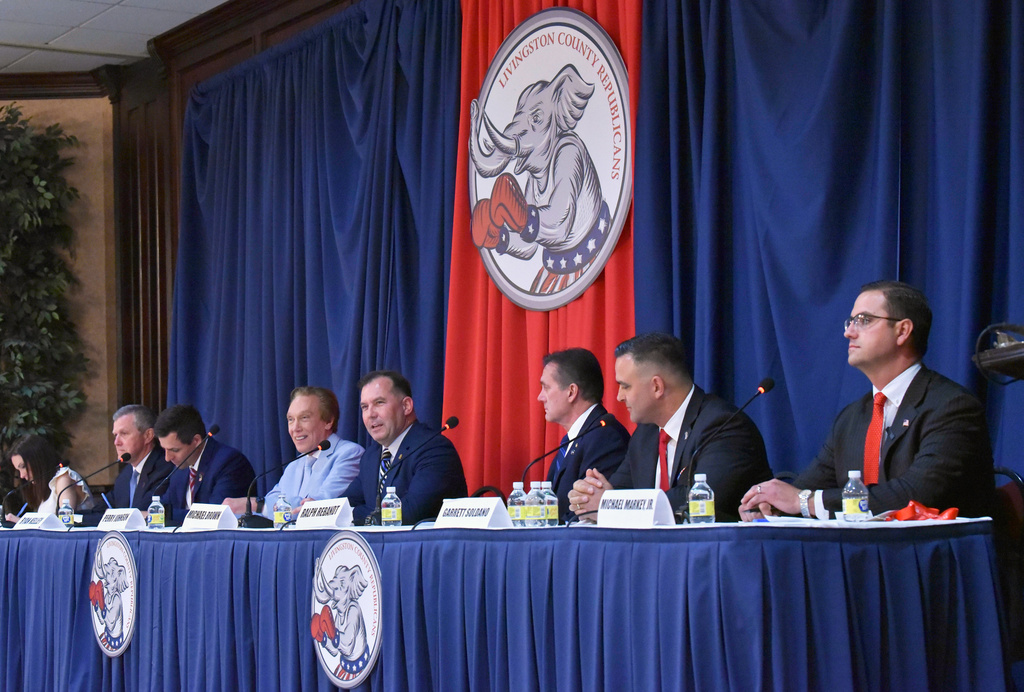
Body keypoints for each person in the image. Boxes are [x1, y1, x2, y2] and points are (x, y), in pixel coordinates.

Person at [739, 280, 994, 520]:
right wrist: (770, 505)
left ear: (903, 331)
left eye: (863, 320)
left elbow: (916, 495)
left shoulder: (952, 407)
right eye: (850, 322)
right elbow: (806, 490)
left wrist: (805, 501)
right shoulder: (850, 419)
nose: (849, 333)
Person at [568, 333, 772, 522]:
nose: (619, 397)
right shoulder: (645, 435)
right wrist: (590, 496)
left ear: (657, 386)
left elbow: (698, 501)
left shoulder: (724, 426)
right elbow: (618, 492)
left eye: (625, 386)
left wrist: (609, 505)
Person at [341, 370, 467, 525]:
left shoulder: (434, 449)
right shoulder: (371, 456)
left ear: (406, 406)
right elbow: (343, 506)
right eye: (365, 407)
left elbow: (409, 512)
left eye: (379, 402)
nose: (370, 414)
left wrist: (353, 513)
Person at [222, 386, 363, 517]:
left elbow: (318, 507)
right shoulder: (295, 464)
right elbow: (271, 501)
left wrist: (255, 505)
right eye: (290, 419)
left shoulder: (349, 454)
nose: (295, 428)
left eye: (304, 418)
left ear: (328, 421)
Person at [537, 347, 629, 523]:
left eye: (546, 388)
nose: (540, 397)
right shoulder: (575, 438)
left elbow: (586, 509)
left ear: (571, 392)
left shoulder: (604, 437)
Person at [156, 404, 255, 515]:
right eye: (164, 449)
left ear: (196, 441)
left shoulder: (230, 463)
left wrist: (163, 515)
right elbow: (165, 506)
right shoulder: (180, 469)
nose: (167, 458)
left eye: (174, 450)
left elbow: (214, 515)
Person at [4, 435, 98, 522]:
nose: (22, 475)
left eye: (23, 466)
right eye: (18, 470)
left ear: (38, 461)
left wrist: (21, 522)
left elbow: (65, 523)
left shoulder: (64, 478)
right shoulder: (46, 485)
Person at [110, 405, 176, 511]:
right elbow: (101, 509)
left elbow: (142, 510)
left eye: (124, 434)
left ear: (148, 435)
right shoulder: (125, 475)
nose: (116, 442)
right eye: (115, 435)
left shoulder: (165, 469)